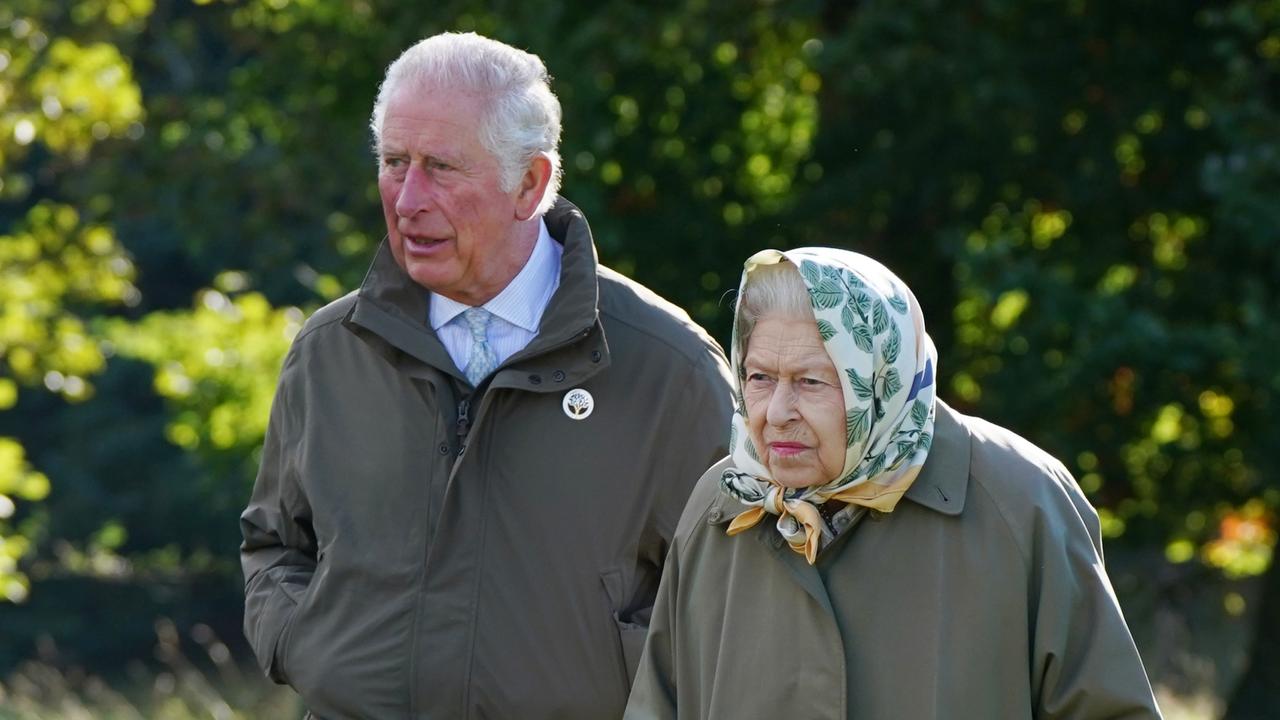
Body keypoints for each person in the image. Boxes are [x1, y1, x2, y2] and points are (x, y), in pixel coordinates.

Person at [239, 32, 734, 720]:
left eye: (440, 167)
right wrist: (305, 647)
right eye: (392, 162)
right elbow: (274, 545)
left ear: (529, 183)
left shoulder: (667, 367)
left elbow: (733, 596)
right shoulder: (330, 351)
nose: (407, 198)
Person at [624, 248, 1163, 719]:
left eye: (811, 382)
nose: (775, 412)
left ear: (880, 381)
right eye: (760, 377)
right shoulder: (723, 504)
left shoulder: (1021, 501)